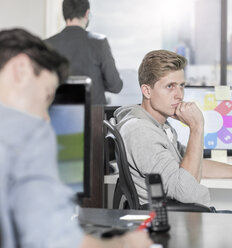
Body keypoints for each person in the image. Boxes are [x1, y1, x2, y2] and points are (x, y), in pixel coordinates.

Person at [0, 28, 152, 248]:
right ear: (20, 69)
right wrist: (126, 243)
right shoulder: (26, 131)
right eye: (47, 97)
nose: (45, 117)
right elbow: (54, 242)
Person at [114, 50, 232, 206]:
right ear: (147, 91)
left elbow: (195, 165)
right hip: (172, 223)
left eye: (181, 85)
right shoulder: (141, 131)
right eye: (170, 86)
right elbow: (186, 191)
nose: (179, 95)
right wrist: (196, 127)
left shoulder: (161, 127)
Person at [45, 0, 123, 105]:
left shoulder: (48, 44)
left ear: (64, 14)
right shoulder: (99, 42)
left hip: (58, 115)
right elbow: (115, 85)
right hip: (93, 116)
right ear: (87, 13)